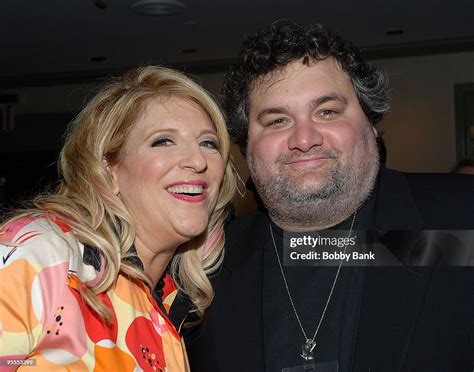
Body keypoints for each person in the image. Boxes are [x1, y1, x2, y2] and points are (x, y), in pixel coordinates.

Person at [186, 21, 474, 371]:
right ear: (246, 145)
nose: (304, 139)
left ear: (370, 121)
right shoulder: (203, 268)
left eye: (327, 112)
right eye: (277, 121)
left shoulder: (461, 220)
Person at [0, 66, 236, 370]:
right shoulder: (41, 253)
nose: (197, 161)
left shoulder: (174, 306)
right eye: (163, 141)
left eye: (209, 143)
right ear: (108, 170)